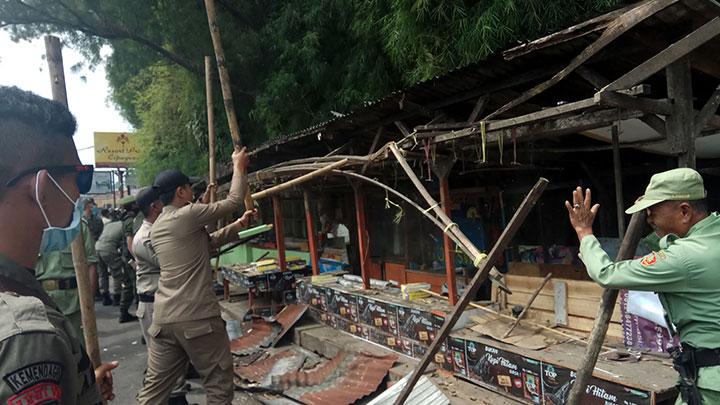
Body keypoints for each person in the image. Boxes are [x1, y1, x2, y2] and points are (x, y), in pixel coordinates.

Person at [0, 85, 116, 402]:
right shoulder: (26, 336)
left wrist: (77, 386)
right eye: (80, 175)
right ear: (41, 186)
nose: (81, 192)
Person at [566, 168, 720, 405]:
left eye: (654, 211)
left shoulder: (684, 258)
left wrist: (584, 233)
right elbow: (668, 246)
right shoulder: (712, 236)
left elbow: (607, 274)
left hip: (711, 382)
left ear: (685, 211)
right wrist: (653, 213)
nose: (649, 217)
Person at [137, 150, 254, 404]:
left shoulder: (158, 227)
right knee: (219, 387)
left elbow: (205, 245)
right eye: (189, 188)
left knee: (154, 392)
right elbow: (234, 200)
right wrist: (239, 167)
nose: (193, 193)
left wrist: (238, 226)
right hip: (197, 318)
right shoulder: (188, 214)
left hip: (164, 320)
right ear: (180, 192)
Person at [132, 187, 189, 405]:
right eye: (161, 202)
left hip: (164, 302)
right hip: (154, 305)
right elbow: (170, 262)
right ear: (155, 207)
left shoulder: (158, 231)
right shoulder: (145, 237)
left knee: (173, 359)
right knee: (163, 361)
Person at [35, 216, 99, 341]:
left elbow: (91, 266)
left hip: (73, 302)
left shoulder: (77, 226)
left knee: (79, 350)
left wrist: (88, 308)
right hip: (41, 302)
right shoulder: (31, 224)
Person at [95, 201, 137, 322]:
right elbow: (126, 243)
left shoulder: (109, 225)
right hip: (108, 249)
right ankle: (117, 298)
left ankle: (105, 296)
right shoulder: (125, 224)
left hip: (98, 247)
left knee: (103, 274)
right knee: (121, 275)